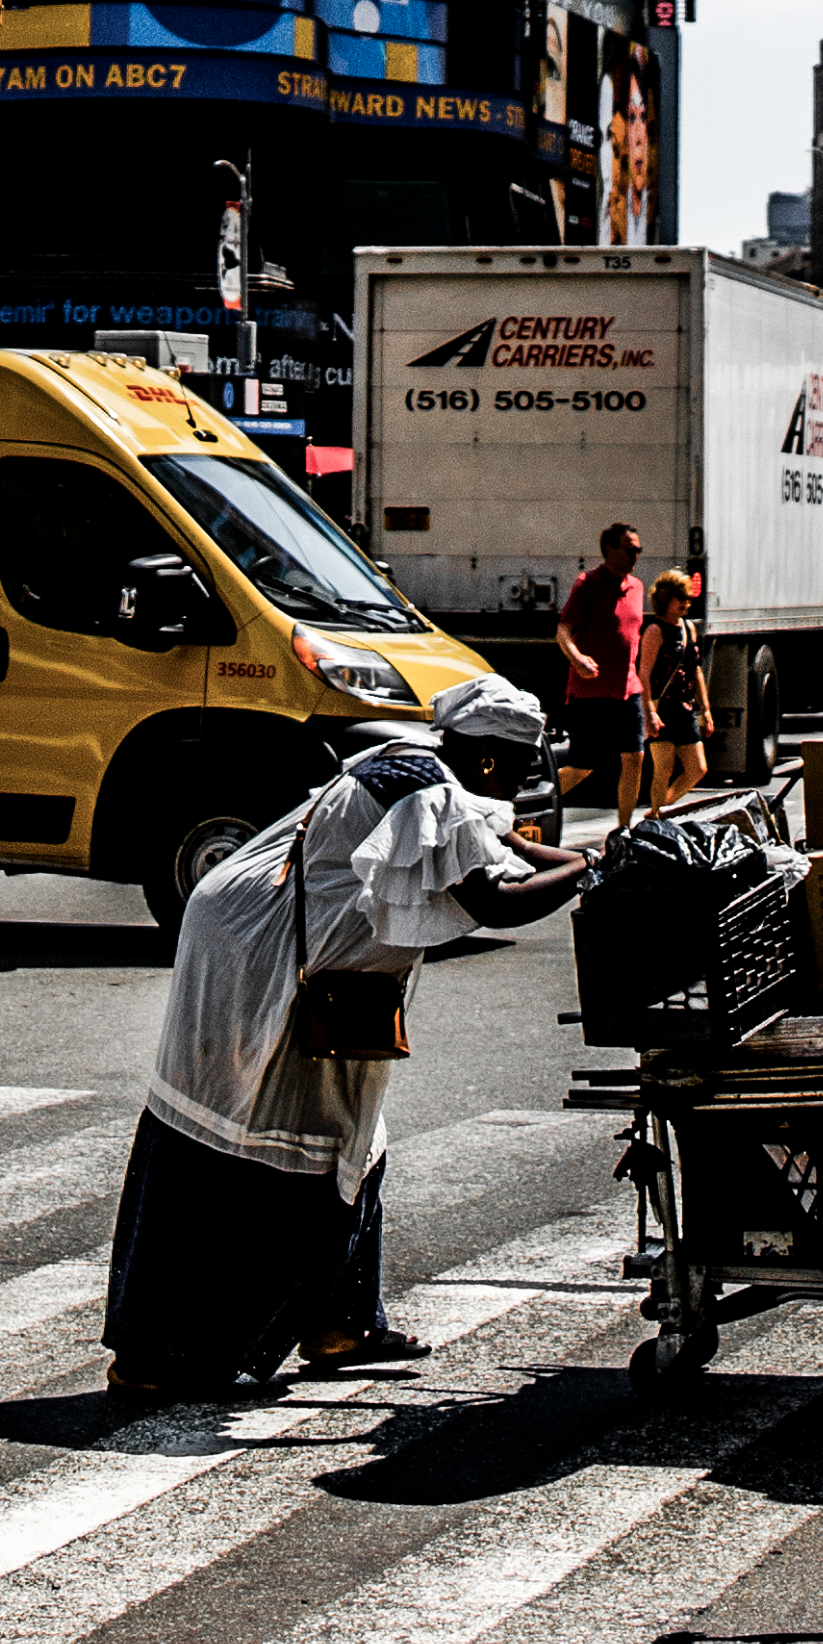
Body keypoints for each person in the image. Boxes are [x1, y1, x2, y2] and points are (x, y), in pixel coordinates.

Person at [103, 741, 583, 1400]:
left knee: (351, 1143)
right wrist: (588, 869)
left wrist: (589, 856)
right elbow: (496, 902)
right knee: (238, 1154)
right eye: (522, 761)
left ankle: (342, 1326)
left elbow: (515, 856)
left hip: (251, 946)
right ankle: (152, 1356)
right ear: (489, 758)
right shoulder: (426, 794)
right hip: (258, 972)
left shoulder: (419, 769)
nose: (533, 776)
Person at [555, 520, 645, 808]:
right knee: (583, 766)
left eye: (639, 550)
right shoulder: (588, 584)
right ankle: (530, 803)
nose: (636, 556)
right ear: (609, 549)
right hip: (590, 694)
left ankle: (624, 830)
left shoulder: (638, 587)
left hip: (628, 692)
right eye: (630, 549)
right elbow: (563, 631)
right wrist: (578, 658)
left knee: (635, 758)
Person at [634, 567, 714, 821]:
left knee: (698, 768)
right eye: (682, 599)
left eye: (689, 599)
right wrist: (649, 713)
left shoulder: (688, 628)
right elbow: (643, 674)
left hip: (685, 708)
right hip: (662, 709)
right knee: (664, 769)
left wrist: (706, 710)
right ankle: (658, 818)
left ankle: (658, 812)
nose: (687, 604)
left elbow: (696, 670)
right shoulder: (655, 631)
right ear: (667, 599)